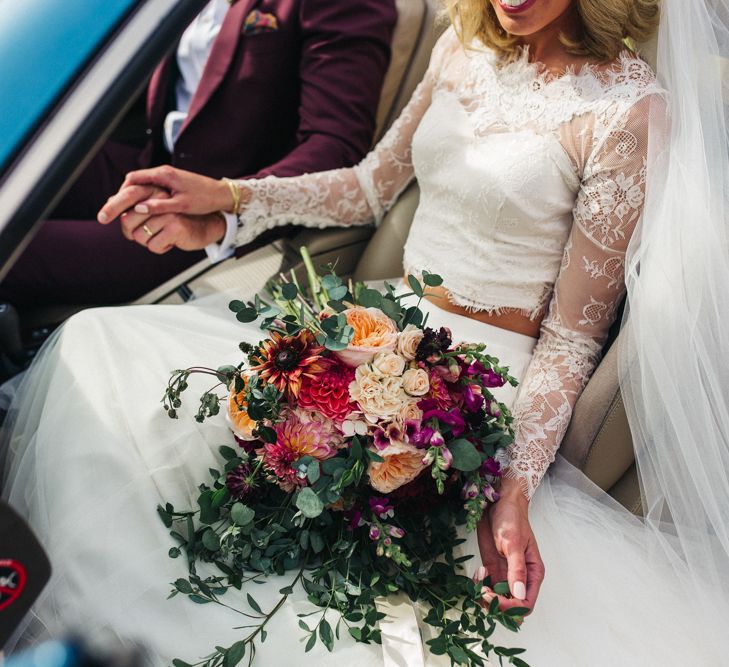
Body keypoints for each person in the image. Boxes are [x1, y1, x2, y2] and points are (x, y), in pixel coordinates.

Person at [4, 0, 729, 664]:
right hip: (371, 319)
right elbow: (370, 184)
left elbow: (571, 341)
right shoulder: (461, 49)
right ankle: (94, 628)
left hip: (475, 372)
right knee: (101, 348)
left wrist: (511, 490)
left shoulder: (630, 113)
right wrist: (227, 202)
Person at [0, 0, 397, 307]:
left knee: (11, 250)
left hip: (212, 222)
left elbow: (334, 146)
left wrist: (225, 199)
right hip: (155, 167)